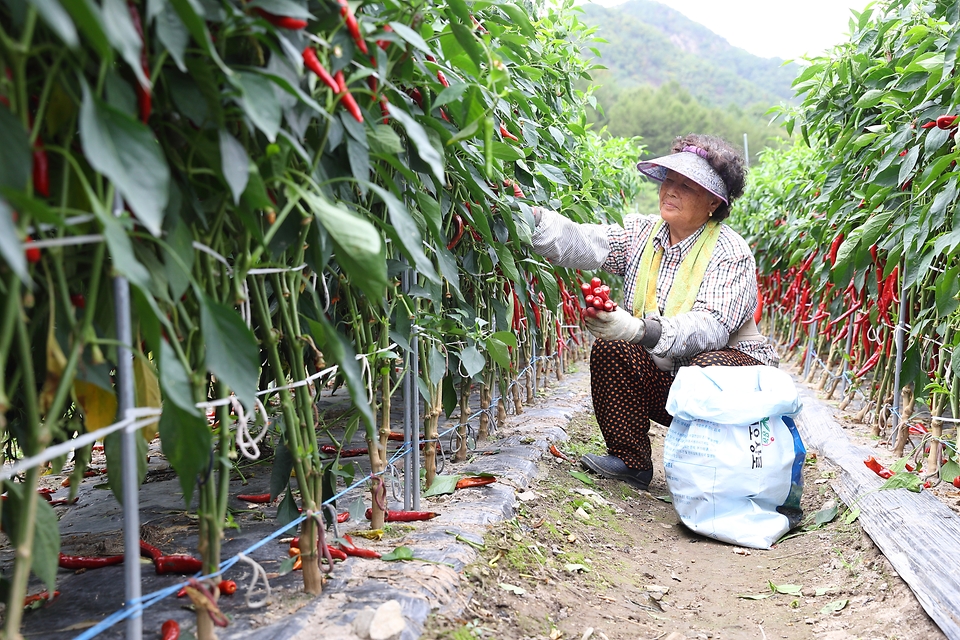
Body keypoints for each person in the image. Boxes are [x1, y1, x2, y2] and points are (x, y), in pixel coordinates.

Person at [530, 133, 778, 491]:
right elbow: (587, 243)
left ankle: (720, 470)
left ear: (713, 202)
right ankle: (631, 461)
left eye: (686, 186)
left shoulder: (730, 252)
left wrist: (639, 329)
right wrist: (534, 219)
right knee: (611, 348)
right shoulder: (642, 235)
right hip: (670, 382)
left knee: (709, 367)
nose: (670, 191)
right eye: (669, 180)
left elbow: (711, 327)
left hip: (733, 391)